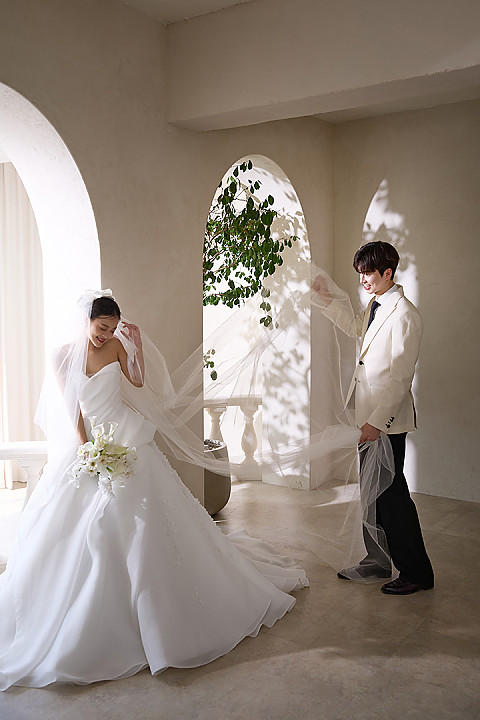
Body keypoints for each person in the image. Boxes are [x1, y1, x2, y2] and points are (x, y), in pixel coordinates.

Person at [0, 291, 308, 690]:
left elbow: (138, 380)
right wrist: (86, 446)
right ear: (86, 320)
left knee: (144, 518)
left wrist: (136, 347)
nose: (105, 335)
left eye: (112, 329)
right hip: (90, 441)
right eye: (101, 328)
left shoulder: (116, 346)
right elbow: (72, 406)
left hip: (127, 435)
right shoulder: (60, 355)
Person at [313, 241, 434, 595]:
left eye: (368, 273)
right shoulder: (375, 306)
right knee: (371, 494)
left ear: (388, 272)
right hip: (366, 417)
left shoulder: (406, 314)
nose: (363, 279)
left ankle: (417, 572)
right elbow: (356, 328)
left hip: (386, 422)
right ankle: (377, 561)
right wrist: (326, 299)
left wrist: (377, 422)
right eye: (361, 273)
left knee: (393, 497)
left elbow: (401, 378)